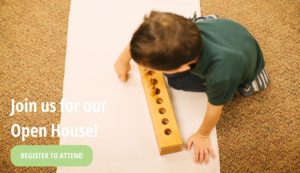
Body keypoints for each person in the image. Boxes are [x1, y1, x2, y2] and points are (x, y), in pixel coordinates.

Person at [114, 11, 269, 164]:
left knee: (175, 81)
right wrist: (123, 60)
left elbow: (215, 109)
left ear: (183, 67)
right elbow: (142, 36)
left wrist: (203, 134)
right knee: (158, 44)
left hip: (246, 63)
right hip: (226, 31)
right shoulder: (182, 31)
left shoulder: (220, 75)